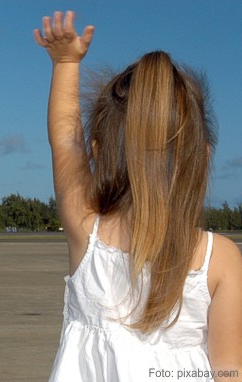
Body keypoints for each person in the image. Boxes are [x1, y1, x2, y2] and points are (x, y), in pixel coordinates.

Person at [33, 11, 242, 381]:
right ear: (204, 156)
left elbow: (65, 141)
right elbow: (230, 370)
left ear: (97, 149)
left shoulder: (87, 230)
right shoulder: (220, 259)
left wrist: (66, 63)